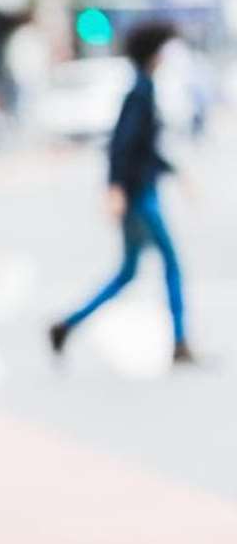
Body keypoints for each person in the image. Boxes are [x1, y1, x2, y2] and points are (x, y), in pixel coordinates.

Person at [50, 21, 193, 364]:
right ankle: (179, 342)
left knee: (128, 272)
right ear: (155, 53)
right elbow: (122, 146)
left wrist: (177, 173)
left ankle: (67, 325)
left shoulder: (143, 89)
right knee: (171, 265)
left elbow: (142, 149)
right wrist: (115, 188)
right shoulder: (140, 93)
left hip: (140, 192)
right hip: (140, 196)